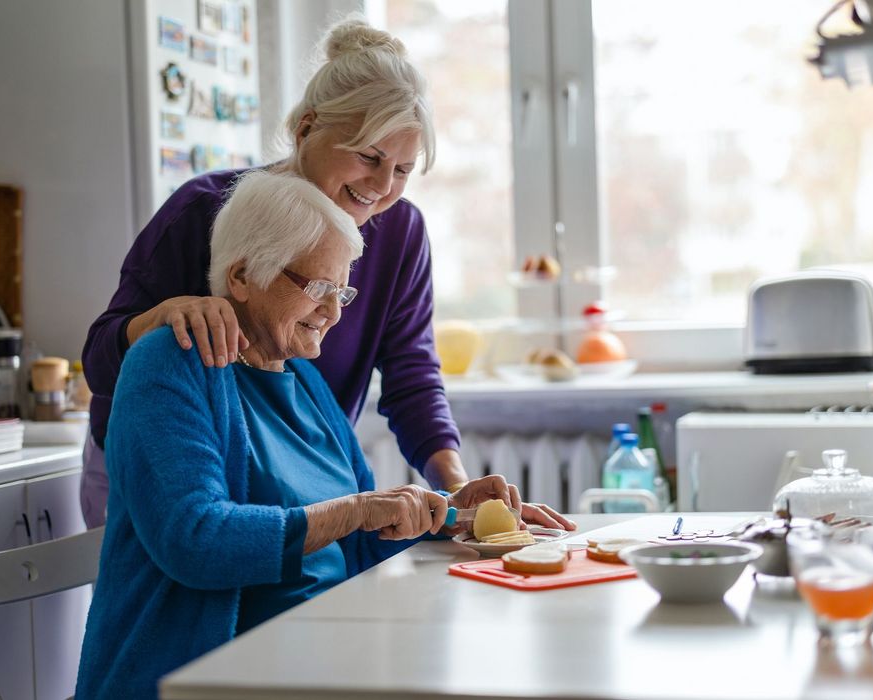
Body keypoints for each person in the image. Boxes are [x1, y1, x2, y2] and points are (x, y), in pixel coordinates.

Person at [80, 16, 574, 532]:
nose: (383, 186)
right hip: (163, 476)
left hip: (287, 481)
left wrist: (454, 487)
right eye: (369, 156)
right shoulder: (203, 210)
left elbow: (411, 374)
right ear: (306, 127)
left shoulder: (399, 231)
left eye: (403, 170)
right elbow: (99, 360)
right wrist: (160, 317)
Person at [76, 171, 526, 699]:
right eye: (317, 288)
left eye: (342, 291)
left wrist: (451, 516)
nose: (334, 313)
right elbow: (195, 540)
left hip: (325, 659)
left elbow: (361, 539)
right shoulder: (169, 365)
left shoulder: (306, 382)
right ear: (242, 276)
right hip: (209, 678)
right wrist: (356, 509)